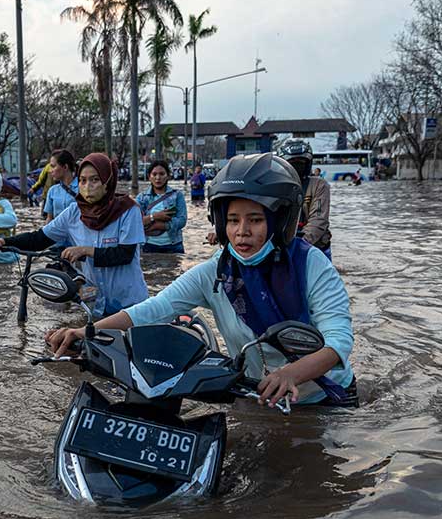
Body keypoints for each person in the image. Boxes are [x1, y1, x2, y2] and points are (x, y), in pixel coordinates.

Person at [47, 152, 356, 409]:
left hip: (323, 399)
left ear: (280, 221)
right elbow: (156, 308)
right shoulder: (217, 270)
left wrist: (292, 373)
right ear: (220, 223)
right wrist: (87, 331)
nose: (241, 231)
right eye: (233, 220)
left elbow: (338, 342)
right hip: (254, 392)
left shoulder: (311, 264)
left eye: (256, 220)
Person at [0, 152, 148, 317]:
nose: (87, 186)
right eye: (83, 180)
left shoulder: (128, 210)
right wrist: (4, 242)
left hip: (130, 303)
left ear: (107, 182)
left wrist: (85, 250)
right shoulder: (74, 212)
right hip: (96, 305)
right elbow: (39, 239)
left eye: (95, 180)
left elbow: (124, 254)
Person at [277, 139, 333, 261]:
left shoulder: (319, 185)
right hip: (283, 246)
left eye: (301, 162)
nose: (297, 166)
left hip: (316, 248)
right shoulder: (276, 186)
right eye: (292, 163)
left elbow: (318, 221)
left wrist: (298, 246)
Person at [135, 159, 187, 253]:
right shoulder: (141, 198)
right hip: (148, 245)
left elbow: (182, 220)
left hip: (173, 246)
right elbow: (135, 221)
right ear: (149, 177)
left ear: (168, 176)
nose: (158, 178)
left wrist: (164, 225)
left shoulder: (177, 195)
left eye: (162, 174)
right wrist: (154, 216)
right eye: (154, 174)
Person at [42, 149, 79, 224]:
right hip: (58, 234)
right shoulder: (52, 191)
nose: (50, 170)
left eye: (53, 166)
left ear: (65, 167)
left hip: (78, 233)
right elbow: (49, 218)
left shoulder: (83, 188)